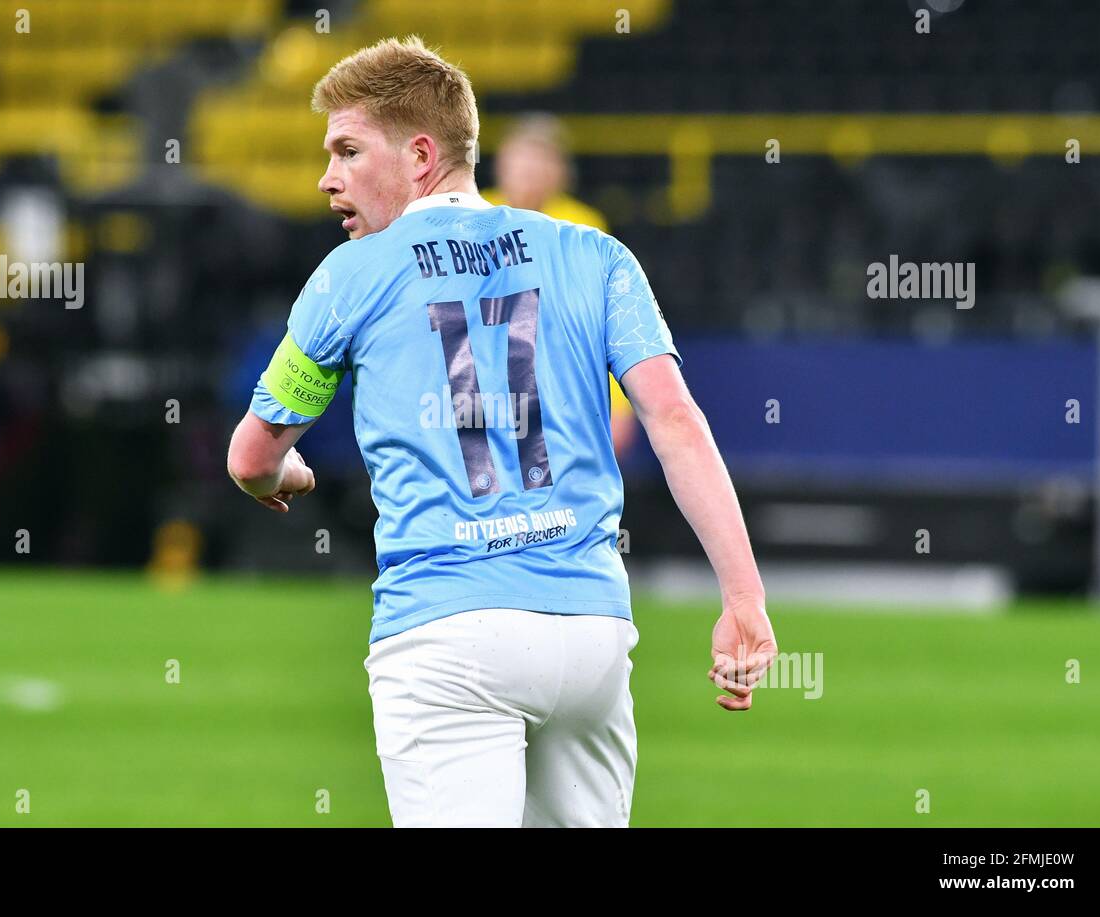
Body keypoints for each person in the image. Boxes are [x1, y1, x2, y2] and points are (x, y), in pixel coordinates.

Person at [227, 36, 776, 827]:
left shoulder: (349, 276)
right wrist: (743, 594)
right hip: (589, 632)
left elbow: (250, 456)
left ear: (420, 154)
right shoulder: (597, 255)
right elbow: (675, 418)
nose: (327, 177)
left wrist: (284, 476)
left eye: (348, 151)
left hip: (447, 634)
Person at [484, 115, 639, 458]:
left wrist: (620, 406)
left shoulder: (582, 227)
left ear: (561, 171)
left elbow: (598, 323)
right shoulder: (471, 218)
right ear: (502, 164)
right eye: (521, 158)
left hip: (560, 393)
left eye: (542, 159)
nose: (530, 169)